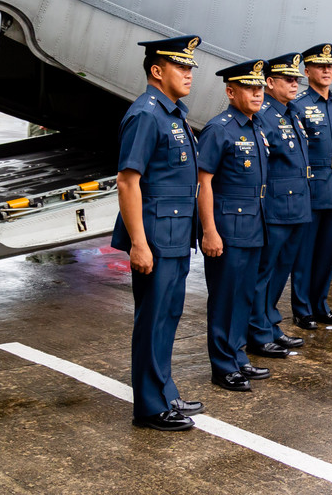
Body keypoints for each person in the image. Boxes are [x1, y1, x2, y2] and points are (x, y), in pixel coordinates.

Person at [112, 34, 204, 431]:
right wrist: (138, 244)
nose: (188, 74)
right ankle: (149, 408)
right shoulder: (146, 114)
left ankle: (165, 392)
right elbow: (127, 182)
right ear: (156, 70)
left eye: (189, 67)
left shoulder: (173, 112)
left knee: (168, 315)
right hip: (154, 236)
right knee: (151, 320)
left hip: (175, 235)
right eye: (180, 67)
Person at [198, 59, 271, 392]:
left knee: (243, 297)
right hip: (228, 229)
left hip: (253, 226)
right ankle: (222, 366)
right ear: (230, 91)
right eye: (250, 88)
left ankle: (238, 356)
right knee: (225, 298)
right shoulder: (220, 128)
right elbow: (204, 183)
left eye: (260, 88)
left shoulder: (256, 125)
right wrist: (209, 230)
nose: (258, 94)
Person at [247, 53, 311, 359]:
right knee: (265, 273)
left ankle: (271, 324)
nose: (295, 83)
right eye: (288, 79)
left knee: (281, 271)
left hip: (297, 206)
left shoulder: (291, 113)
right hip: (275, 208)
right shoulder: (264, 116)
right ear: (270, 83)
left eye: (297, 79)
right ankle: (257, 332)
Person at [291, 44, 332, 329]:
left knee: (327, 253)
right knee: (305, 252)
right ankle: (302, 309)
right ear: (307, 72)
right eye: (320, 66)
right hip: (309, 188)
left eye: (330, 67)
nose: (327, 71)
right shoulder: (299, 106)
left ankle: (321, 305)